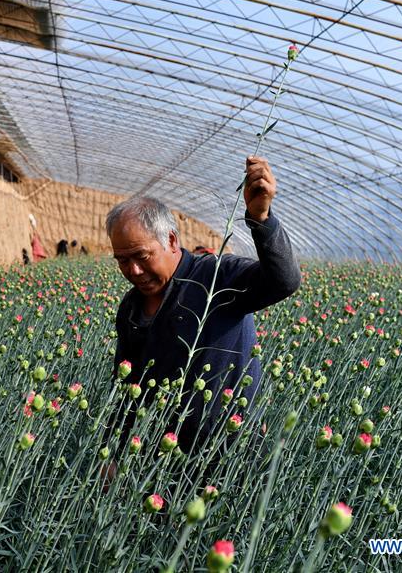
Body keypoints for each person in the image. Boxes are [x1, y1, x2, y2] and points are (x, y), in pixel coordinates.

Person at [106, 156, 301, 455]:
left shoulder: (217, 278)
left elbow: (283, 281)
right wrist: (115, 449)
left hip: (230, 453)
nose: (133, 271)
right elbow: (125, 383)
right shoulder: (131, 308)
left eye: (142, 257)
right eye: (122, 260)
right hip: (159, 458)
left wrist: (262, 220)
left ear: (171, 240)